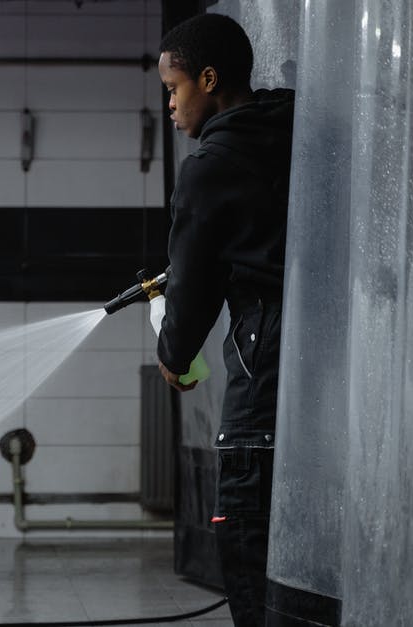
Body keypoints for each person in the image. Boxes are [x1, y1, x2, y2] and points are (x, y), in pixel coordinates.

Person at [154, 13, 295, 627]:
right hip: (317, 349)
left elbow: (193, 284)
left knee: (244, 511)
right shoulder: (295, 126)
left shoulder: (208, 167)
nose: (170, 105)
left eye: (174, 89)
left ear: (208, 80)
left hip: (263, 354)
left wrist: (173, 352)